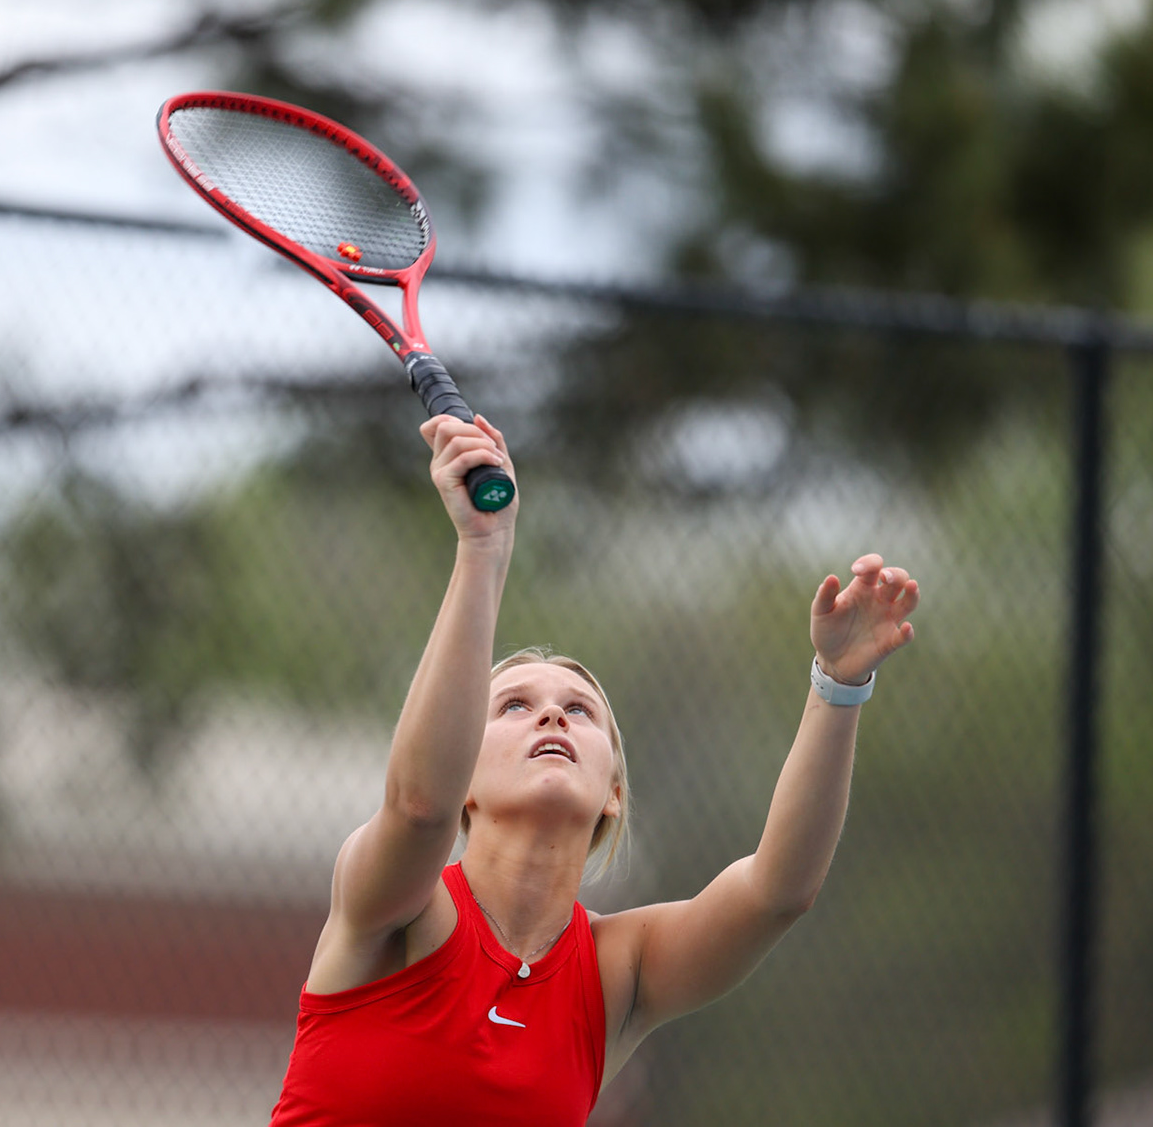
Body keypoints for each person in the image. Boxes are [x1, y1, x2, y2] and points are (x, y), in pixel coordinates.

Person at [267, 413, 921, 1125]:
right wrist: (483, 546)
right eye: (513, 706)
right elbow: (420, 804)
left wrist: (838, 683)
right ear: (466, 779)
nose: (552, 717)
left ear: (613, 791)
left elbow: (779, 891)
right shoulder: (398, 909)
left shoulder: (617, 973)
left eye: (579, 710)